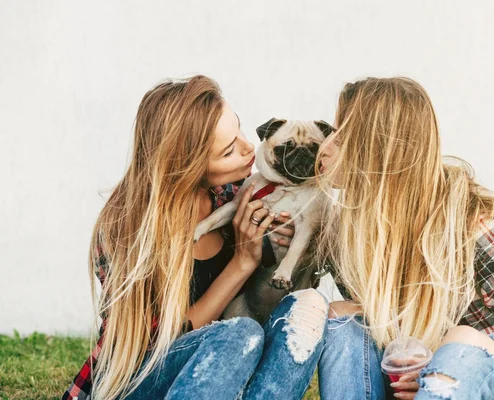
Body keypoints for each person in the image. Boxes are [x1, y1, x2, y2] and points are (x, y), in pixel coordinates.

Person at [315, 77, 494, 399]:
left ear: (375, 150)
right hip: (440, 386)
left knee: (462, 342)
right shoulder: (357, 232)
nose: (324, 147)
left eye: (340, 135)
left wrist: (446, 367)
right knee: (343, 319)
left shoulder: (476, 229)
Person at [63, 75, 329, 400]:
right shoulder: (126, 228)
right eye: (230, 150)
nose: (249, 148)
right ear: (186, 166)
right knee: (240, 333)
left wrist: (284, 243)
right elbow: (157, 341)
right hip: (141, 377)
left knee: (305, 309)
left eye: (240, 130)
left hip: (221, 372)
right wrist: (241, 263)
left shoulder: (235, 197)